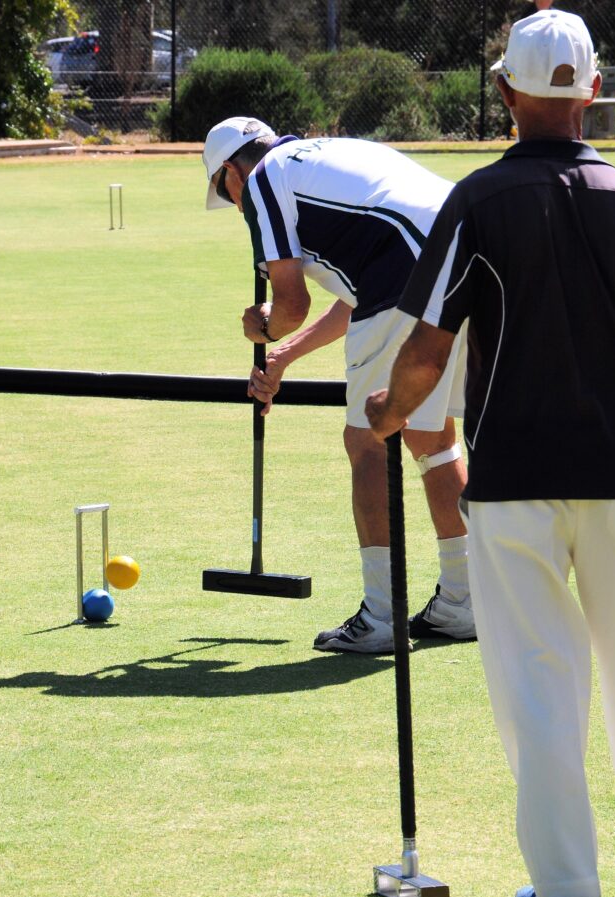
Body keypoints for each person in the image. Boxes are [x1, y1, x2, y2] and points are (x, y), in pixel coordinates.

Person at [366, 9, 615, 897]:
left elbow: (427, 343)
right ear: (594, 92)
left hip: (514, 479)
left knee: (537, 680)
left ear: (506, 94)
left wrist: (389, 414)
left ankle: (567, 891)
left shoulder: (478, 200)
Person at [202, 116, 476, 653]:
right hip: (471, 261)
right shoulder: (329, 157)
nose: (233, 203)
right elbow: (356, 296)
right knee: (432, 435)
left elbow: (292, 305)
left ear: (233, 171)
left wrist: (263, 325)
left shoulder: (263, 182)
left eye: (222, 189)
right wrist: (283, 354)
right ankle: (465, 603)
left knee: (369, 440)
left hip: (408, 275)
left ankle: (382, 615)